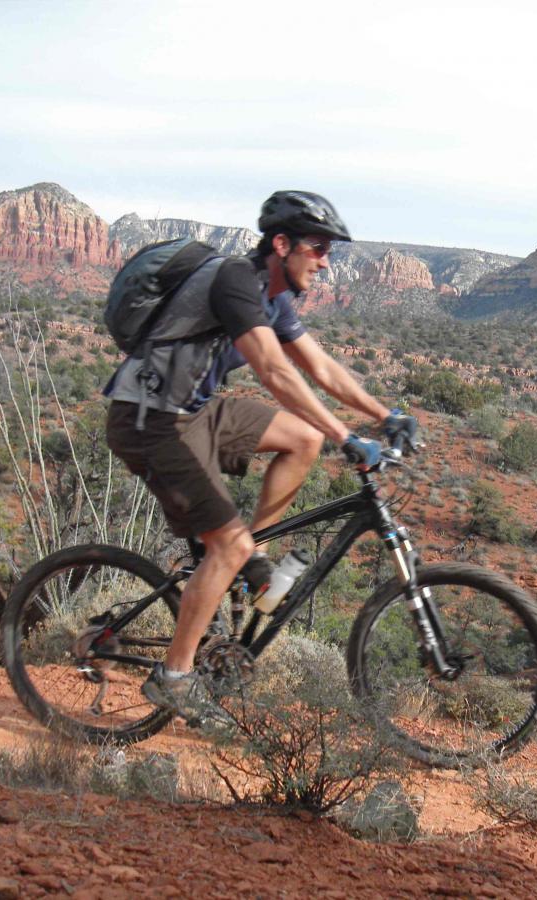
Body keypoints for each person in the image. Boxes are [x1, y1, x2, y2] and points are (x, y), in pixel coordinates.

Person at [103, 190, 417, 718]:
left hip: (194, 413)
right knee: (229, 542)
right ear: (281, 244)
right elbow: (274, 373)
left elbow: (322, 369)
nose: (325, 261)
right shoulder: (236, 282)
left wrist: (385, 415)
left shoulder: (274, 298)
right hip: (149, 421)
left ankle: (253, 558)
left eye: (328, 251)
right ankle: (173, 677)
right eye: (317, 248)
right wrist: (347, 436)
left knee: (303, 439)